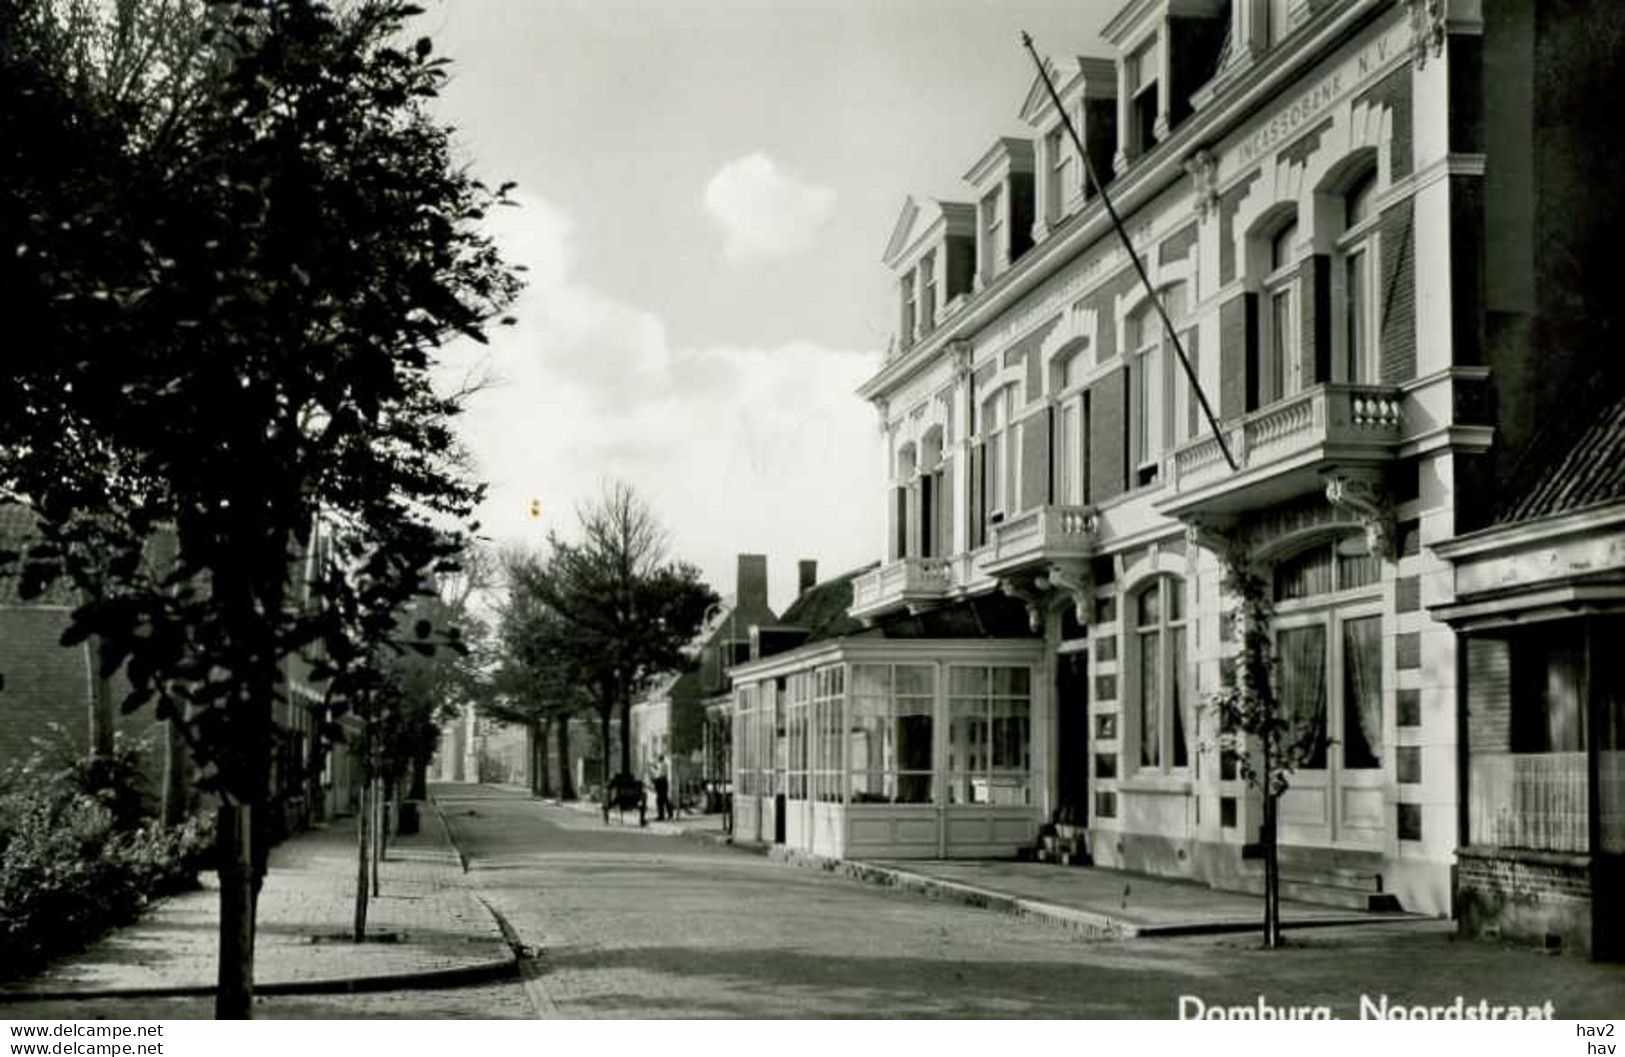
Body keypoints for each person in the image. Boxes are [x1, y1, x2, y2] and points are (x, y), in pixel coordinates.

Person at [653, 755, 671, 821]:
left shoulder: (662, 765)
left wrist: (655, 768)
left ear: (660, 759)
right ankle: (669, 813)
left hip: (661, 782)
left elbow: (659, 774)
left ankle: (661, 815)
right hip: (663, 782)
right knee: (665, 798)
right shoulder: (664, 765)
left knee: (659, 800)